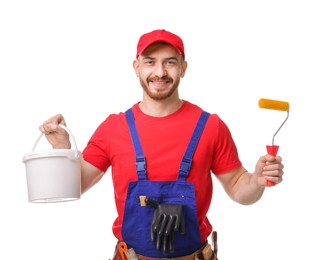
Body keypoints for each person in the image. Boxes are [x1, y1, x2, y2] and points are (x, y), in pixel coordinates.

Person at [39, 29, 284, 259]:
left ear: (183, 67)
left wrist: (256, 180)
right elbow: (75, 185)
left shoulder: (210, 126)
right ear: (136, 67)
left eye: (170, 61)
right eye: (150, 61)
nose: (160, 72)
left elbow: (240, 189)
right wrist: (62, 148)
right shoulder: (114, 128)